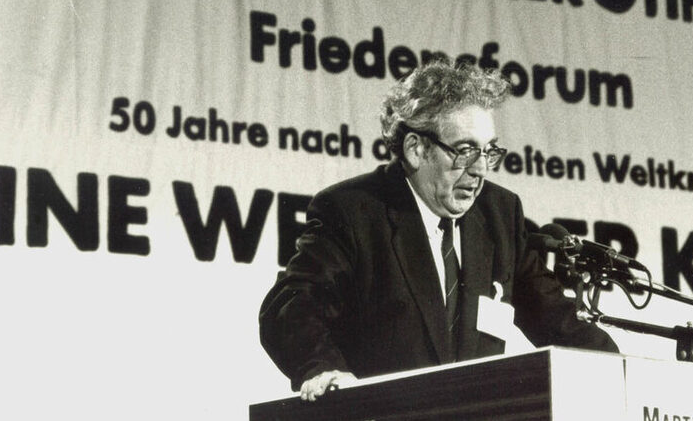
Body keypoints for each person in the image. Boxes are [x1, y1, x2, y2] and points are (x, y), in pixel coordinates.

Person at [258, 58, 617, 400]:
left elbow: (553, 315)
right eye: (464, 151)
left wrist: (620, 371)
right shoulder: (354, 212)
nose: (480, 170)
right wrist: (323, 369)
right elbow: (290, 307)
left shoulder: (499, 214)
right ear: (416, 149)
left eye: (488, 151)